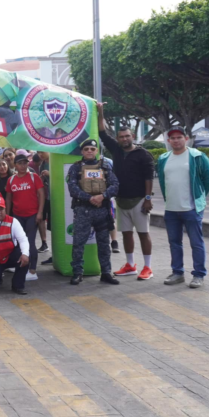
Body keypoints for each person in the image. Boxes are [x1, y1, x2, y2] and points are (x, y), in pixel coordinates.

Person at [97, 106, 156, 280]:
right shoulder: (116, 150)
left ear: (133, 137)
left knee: (143, 233)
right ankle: (130, 265)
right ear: (118, 139)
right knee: (126, 234)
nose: (124, 139)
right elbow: (101, 133)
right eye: (121, 137)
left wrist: (147, 198)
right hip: (121, 200)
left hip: (139, 200)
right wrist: (101, 112)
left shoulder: (143, 154)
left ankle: (148, 267)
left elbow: (149, 178)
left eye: (127, 136)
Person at [157, 128, 209, 288]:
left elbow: (208, 179)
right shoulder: (163, 158)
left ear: (186, 139)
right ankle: (177, 273)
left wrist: (199, 197)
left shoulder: (196, 156)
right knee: (174, 242)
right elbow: (163, 181)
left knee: (196, 243)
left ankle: (199, 275)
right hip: (171, 208)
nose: (176, 140)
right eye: (173, 138)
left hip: (191, 208)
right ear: (169, 141)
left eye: (179, 137)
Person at [66, 140, 120, 286]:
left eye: (92, 149)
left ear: (96, 151)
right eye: (86, 149)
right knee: (78, 243)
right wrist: (90, 198)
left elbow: (115, 185)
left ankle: (106, 273)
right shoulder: (75, 168)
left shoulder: (105, 166)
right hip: (83, 210)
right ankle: (77, 273)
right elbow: (73, 189)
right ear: (82, 152)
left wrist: (102, 196)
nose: (89, 151)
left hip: (102, 211)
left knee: (104, 244)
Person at [5, 154, 45, 281]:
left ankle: (32, 270)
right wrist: (7, 215)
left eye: (25, 163)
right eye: (20, 163)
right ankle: (21, 266)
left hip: (32, 215)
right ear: (15, 165)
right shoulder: (11, 180)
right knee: (17, 242)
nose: (23, 165)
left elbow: (41, 195)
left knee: (30, 242)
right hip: (17, 215)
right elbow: (9, 198)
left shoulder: (34, 177)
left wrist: (40, 213)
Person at [35, 152, 52, 259]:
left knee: (54, 226)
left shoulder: (54, 160)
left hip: (55, 198)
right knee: (45, 222)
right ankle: (45, 244)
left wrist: (51, 174)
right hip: (46, 196)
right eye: (38, 152)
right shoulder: (42, 164)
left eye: (42, 152)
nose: (40, 154)